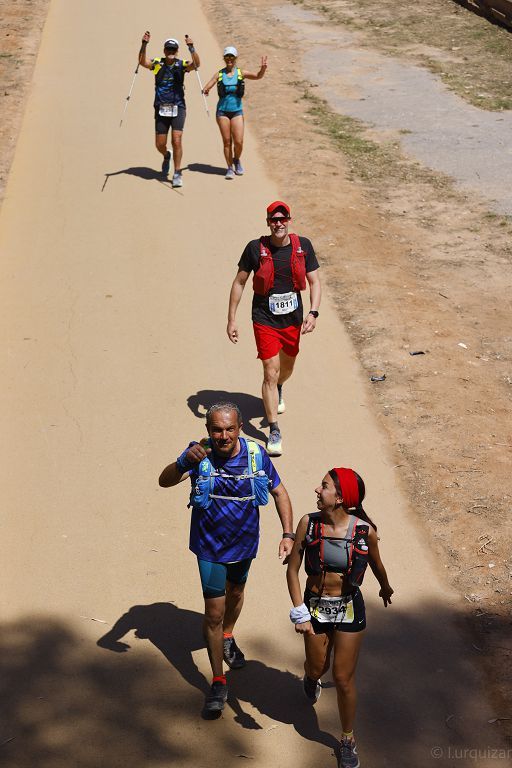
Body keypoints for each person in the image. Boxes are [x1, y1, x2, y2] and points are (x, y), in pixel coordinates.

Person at [158, 402, 294, 716]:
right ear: (208, 430)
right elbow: (164, 481)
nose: (223, 436)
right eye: (216, 429)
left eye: (229, 429)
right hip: (210, 548)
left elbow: (280, 492)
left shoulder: (255, 455)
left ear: (240, 427)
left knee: (236, 593)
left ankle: (228, 635)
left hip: (245, 544)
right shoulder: (199, 455)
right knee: (213, 613)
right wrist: (181, 462)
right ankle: (218, 680)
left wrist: (288, 533)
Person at [286, 467, 394, 768]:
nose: (317, 491)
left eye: (324, 487)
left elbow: (377, 564)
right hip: (315, 607)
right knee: (318, 666)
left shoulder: (364, 531)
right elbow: (292, 571)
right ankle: (311, 677)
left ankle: (347, 738)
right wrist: (300, 613)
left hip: (349, 608)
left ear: (341, 497)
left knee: (344, 678)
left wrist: (386, 588)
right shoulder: (308, 524)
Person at [227, 201, 321, 456]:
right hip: (264, 319)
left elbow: (314, 282)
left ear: (289, 220)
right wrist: (232, 319)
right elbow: (239, 283)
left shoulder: (304, 246)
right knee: (270, 370)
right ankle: (274, 429)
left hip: (292, 320)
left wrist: (313, 311)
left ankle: (279, 386)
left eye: (282, 219)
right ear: (268, 222)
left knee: (286, 368)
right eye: (273, 220)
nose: (278, 223)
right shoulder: (255, 249)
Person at [138, 31, 200, 188]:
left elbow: (196, 64)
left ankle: (178, 172)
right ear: (164, 51)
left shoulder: (181, 65)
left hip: (178, 107)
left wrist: (192, 48)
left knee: (176, 140)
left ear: (177, 51)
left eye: (173, 50)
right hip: (161, 108)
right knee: (160, 144)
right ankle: (167, 155)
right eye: (168, 50)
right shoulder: (157, 63)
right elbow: (142, 62)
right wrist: (144, 44)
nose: (171, 52)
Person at [201, 46, 267, 179]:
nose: (229, 59)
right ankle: (229, 168)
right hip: (222, 112)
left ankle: (236, 159)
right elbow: (208, 85)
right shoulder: (219, 74)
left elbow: (258, 76)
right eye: (227, 57)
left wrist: (263, 69)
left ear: (235, 58)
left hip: (237, 111)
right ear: (224, 58)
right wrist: (206, 90)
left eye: (232, 57)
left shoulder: (241, 73)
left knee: (239, 142)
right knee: (227, 141)